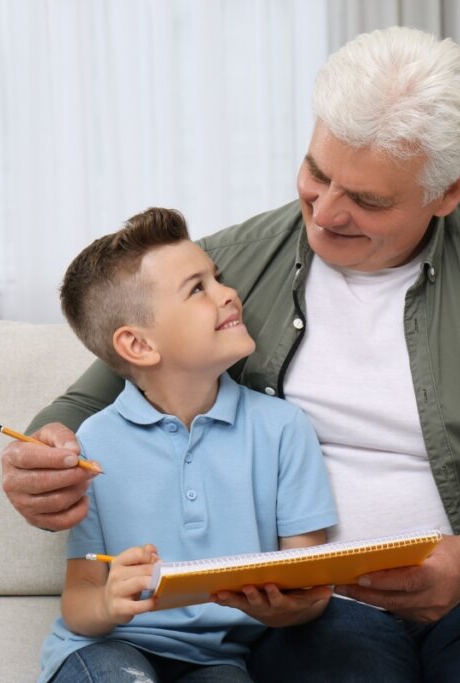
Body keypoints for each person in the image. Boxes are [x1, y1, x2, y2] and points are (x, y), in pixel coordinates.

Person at [3, 26, 460, 683]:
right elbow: (97, 394)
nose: (326, 211)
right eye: (316, 171)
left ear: (448, 192)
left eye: (366, 199)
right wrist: (46, 453)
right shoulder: (236, 264)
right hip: (319, 611)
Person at [37, 207, 338, 683]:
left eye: (216, 279)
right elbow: (78, 606)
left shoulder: (283, 430)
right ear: (138, 345)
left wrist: (285, 609)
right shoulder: (93, 443)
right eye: (198, 289)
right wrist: (109, 603)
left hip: (218, 661)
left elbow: (311, 592)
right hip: (108, 648)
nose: (229, 294)